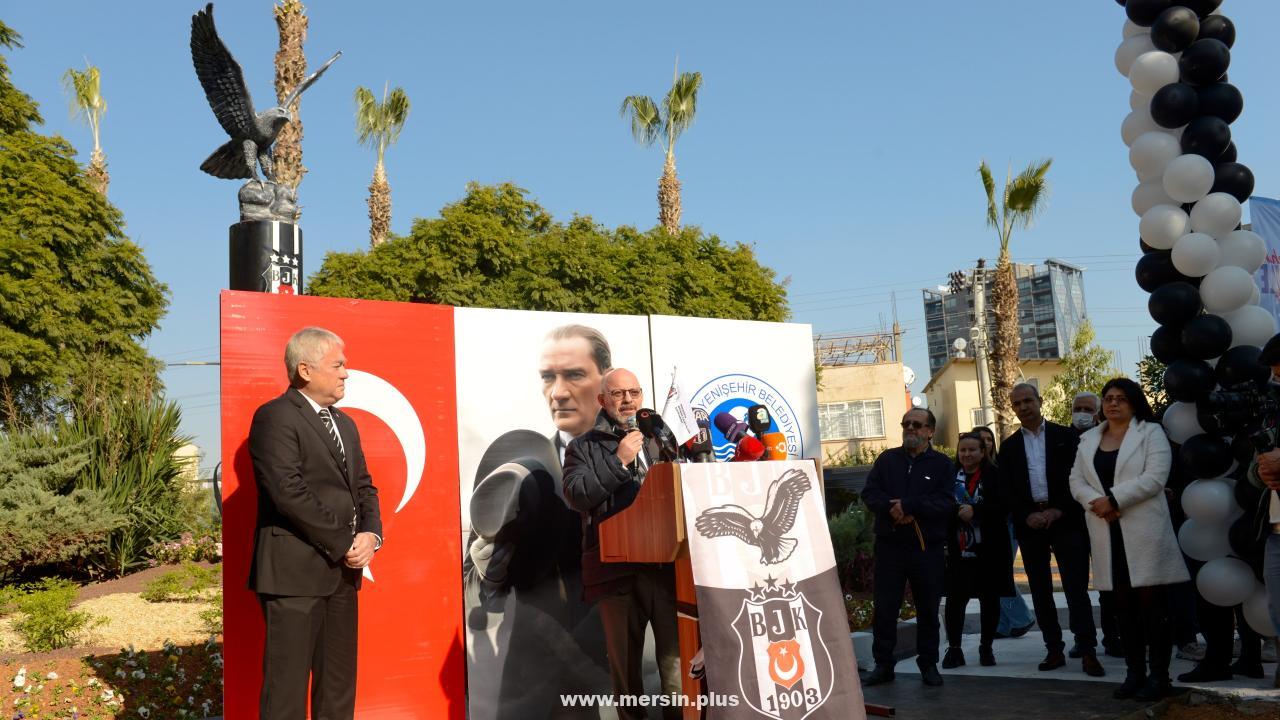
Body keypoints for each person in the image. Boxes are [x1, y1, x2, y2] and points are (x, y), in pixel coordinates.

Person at [248, 327, 382, 720]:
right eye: (338, 365)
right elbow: (287, 492)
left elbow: (364, 487)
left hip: (342, 575)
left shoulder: (346, 424)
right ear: (305, 369)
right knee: (285, 693)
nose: (346, 373)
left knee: (338, 688)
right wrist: (344, 541)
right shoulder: (275, 417)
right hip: (293, 576)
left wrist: (370, 536)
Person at [562, 368, 681, 719]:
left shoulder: (660, 437)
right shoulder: (582, 447)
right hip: (616, 572)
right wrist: (619, 462)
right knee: (627, 676)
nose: (627, 400)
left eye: (634, 392)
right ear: (602, 400)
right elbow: (577, 495)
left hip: (666, 566)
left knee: (676, 668)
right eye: (618, 394)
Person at [1069, 378, 1188, 700]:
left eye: (1121, 398)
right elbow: (1076, 479)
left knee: (1152, 609)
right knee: (1122, 608)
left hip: (1144, 532)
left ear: (1134, 402)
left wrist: (1115, 499)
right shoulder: (1089, 438)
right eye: (1108, 398)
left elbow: (1155, 477)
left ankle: (1160, 677)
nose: (1113, 403)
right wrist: (1096, 503)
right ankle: (1135, 674)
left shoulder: (1151, 433)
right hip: (1106, 531)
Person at [998, 383, 1104, 677]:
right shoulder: (1008, 448)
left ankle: (1087, 651)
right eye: (1017, 403)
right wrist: (1026, 514)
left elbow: (1082, 478)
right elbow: (1006, 490)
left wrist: (1060, 509)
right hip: (1030, 525)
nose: (1023, 407)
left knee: (1075, 589)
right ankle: (1054, 649)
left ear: (1040, 401)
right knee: (1041, 592)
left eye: (1028, 400)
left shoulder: (1067, 437)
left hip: (1066, 521)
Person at [859, 408, 955, 688]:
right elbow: (870, 493)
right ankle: (883, 665)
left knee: (928, 609)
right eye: (906, 424)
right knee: (886, 608)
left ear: (930, 431)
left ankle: (928, 664)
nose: (910, 428)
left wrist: (911, 506)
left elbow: (946, 502)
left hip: (927, 549)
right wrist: (893, 509)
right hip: (890, 547)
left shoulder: (942, 465)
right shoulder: (887, 460)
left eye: (917, 424)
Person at [942, 433, 1013, 670]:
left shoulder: (995, 474)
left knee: (989, 599)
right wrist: (956, 512)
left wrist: (976, 511)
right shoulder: (950, 476)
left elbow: (1004, 505)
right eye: (962, 450)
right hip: (958, 551)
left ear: (983, 452)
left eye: (972, 450)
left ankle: (986, 647)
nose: (967, 455)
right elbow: (939, 504)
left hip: (989, 550)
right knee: (955, 601)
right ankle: (954, 649)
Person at [1068, 392, 1124, 660]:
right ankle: (1083, 639)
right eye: (1077, 408)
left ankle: (1114, 637)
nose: (1082, 412)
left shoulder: (1110, 437)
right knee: (1075, 586)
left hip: (1107, 518)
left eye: (1088, 408)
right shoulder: (1061, 439)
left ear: (1098, 412)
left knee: (1110, 583)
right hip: (1073, 523)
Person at [975, 424, 1037, 641]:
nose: (985, 443)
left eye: (989, 439)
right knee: (992, 576)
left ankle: (1021, 618)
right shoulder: (969, 470)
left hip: (1005, 527)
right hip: (980, 530)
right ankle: (1002, 625)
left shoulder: (1000, 467)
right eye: (980, 439)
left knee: (998, 574)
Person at [1246, 332, 1280, 689]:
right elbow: (1253, 476)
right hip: (1274, 532)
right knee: (1277, 611)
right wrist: (1262, 470)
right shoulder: (1271, 414)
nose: (1275, 377)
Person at [542, 324, 614, 461]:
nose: (557, 393)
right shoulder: (530, 468)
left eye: (574, 375)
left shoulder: (643, 451)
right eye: (547, 377)